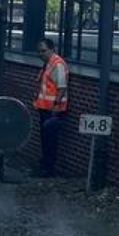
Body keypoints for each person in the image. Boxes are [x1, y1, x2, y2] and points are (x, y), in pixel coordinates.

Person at [32, 37, 69, 178]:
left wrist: (55, 107)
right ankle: (45, 166)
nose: (41, 54)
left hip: (53, 111)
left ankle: (48, 169)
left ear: (52, 49)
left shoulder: (57, 64)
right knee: (45, 139)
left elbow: (61, 88)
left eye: (43, 51)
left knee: (50, 141)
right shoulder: (48, 64)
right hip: (45, 108)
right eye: (39, 51)